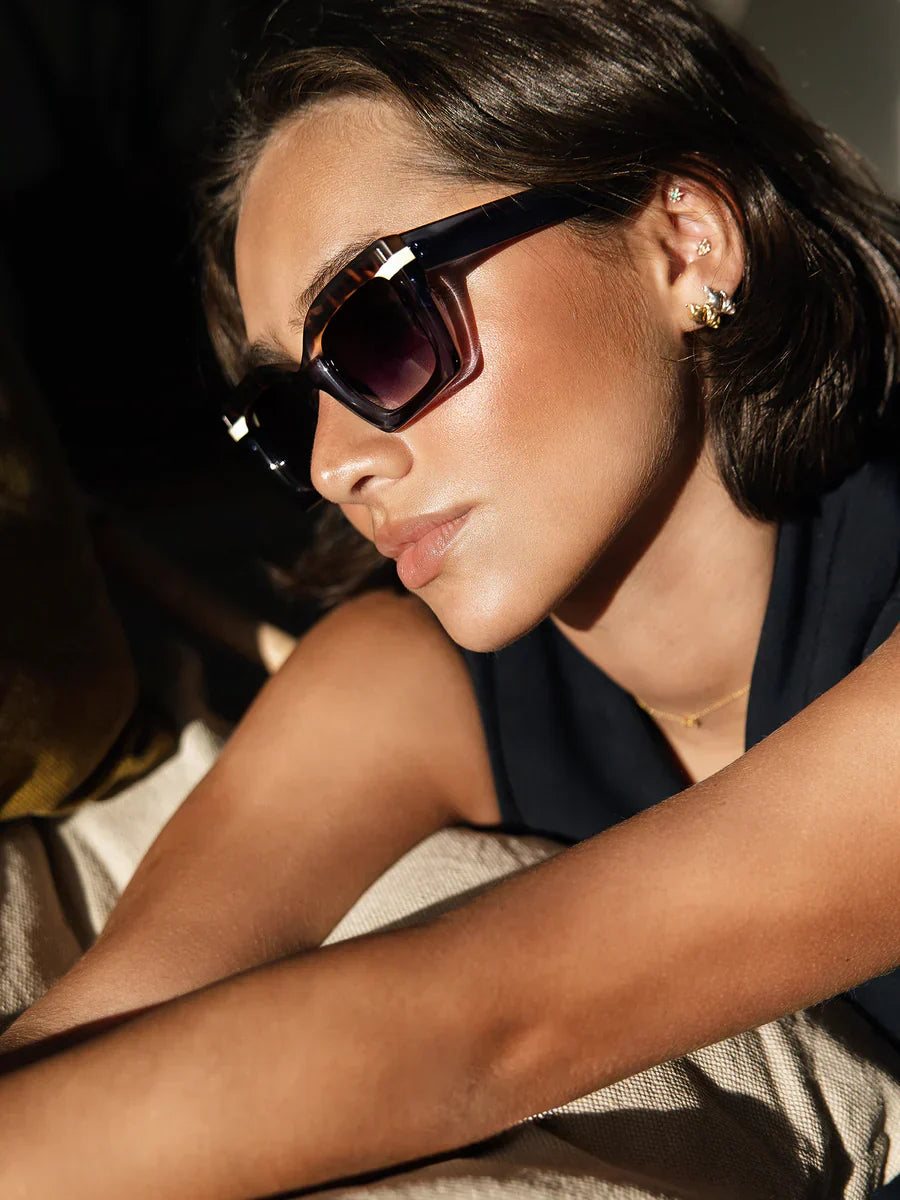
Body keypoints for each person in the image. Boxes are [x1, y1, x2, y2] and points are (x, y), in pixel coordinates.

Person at [1, 0, 900, 1194]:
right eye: (284, 408)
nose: (334, 463)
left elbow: (482, 1029)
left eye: (376, 326)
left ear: (686, 242)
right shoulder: (401, 679)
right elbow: (98, 1026)